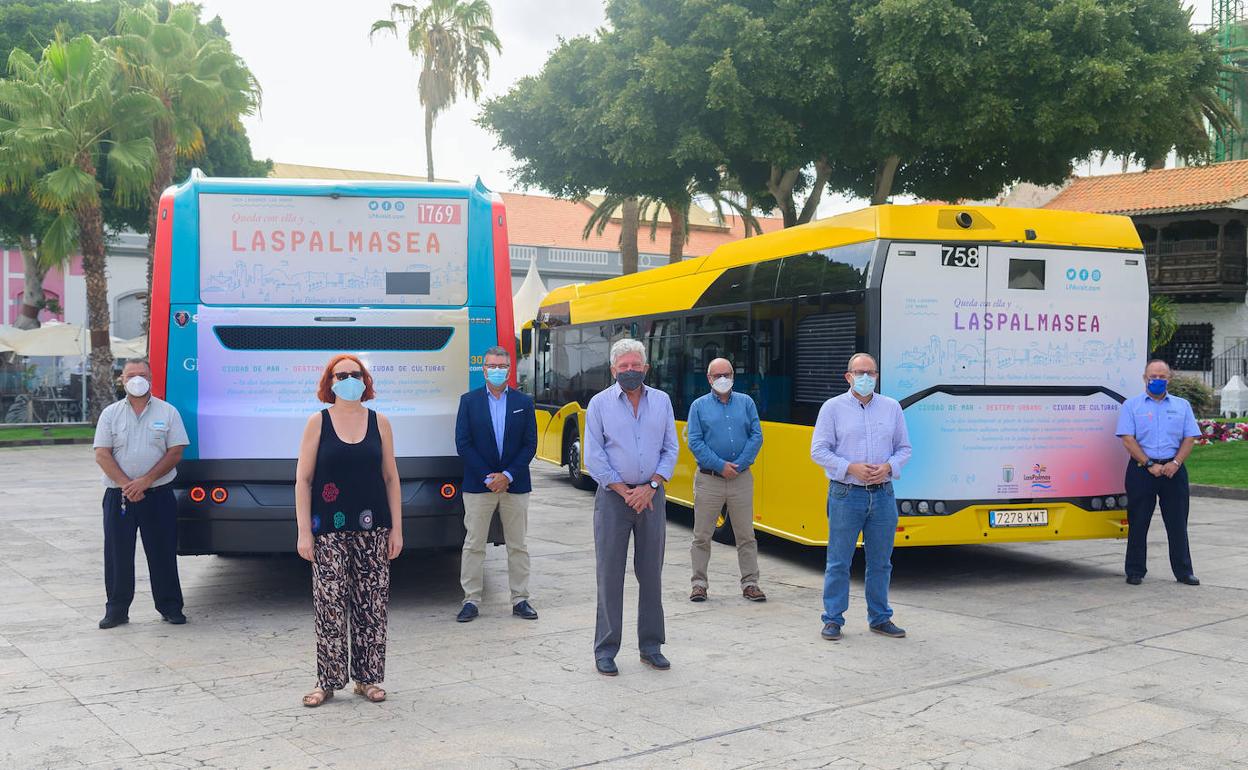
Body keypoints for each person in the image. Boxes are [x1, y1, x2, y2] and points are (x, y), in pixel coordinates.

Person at [295, 354, 403, 707]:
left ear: (365, 380)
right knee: (329, 605)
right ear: (330, 382)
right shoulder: (318, 422)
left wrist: (397, 529)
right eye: (341, 375)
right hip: (328, 529)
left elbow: (391, 477)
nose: (349, 380)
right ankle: (327, 681)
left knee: (371, 605)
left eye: (355, 374)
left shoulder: (380, 422)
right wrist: (303, 532)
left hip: (373, 529)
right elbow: (303, 480)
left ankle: (368, 679)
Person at [584, 338, 678, 676]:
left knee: (651, 574)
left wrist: (651, 486)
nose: (630, 371)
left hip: (652, 498)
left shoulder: (663, 401)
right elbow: (593, 455)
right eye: (623, 367)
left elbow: (671, 449)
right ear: (613, 370)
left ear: (646, 368)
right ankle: (606, 649)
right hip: (613, 498)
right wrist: (625, 491)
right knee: (610, 575)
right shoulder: (599, 404)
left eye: (635, 366)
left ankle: (651, 646)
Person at [810, 352, 911, 642]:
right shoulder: (832, 408)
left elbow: (904, 448)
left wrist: (889, 467)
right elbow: (818, 450)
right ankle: (832, 619)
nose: (866, 377)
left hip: (882, 495)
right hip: (845, 494)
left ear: (877, 376)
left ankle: (880, 618)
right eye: (860, 372)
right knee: (839, 561)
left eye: (871, 372)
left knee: (881, 562)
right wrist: (849, 467)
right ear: (848, 376)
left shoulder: (891, 408)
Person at [93, 358, 190, 629]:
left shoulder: (167, 412)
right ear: (122, 379)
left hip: (158, 494)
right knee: (117, 554)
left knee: (162, 552)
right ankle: (116, 610)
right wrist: (128, 484)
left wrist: (146, 481)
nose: (137, 379)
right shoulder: (110, 414)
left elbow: (176, 452)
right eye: (131, 374)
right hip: (119, 496)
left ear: (151, 378)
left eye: (142, 374)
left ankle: (170, 607)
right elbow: (102, 454)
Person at [454, 345, 539, 622]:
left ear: (509, 369)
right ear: (484, 369)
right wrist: (488, 477)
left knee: (518, 545)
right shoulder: (469, 401)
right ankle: (471, 600)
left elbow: (530, 445)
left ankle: (520, 599)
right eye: (492, 366)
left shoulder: (524, 403)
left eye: (502, 366)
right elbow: (463, 444)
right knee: (474, 544)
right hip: (480, 486)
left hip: (515, 485)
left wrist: (508, 476)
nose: (497, 370)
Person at [1116, 359, 1202, 586]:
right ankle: (1135, 571)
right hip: (1142, 471)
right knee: (1138, 522)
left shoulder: (1182, 405)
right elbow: (1127, 439)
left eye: (1162, 377)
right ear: (1145, 378)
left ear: (1169, 379)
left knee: (1177, 524)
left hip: (1173, 471)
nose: (1157, 380)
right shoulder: (1132, 406)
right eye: (1153, 376)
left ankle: (1184, 572)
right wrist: (1148, 464)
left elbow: (1190, 437)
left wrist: (1176, 462)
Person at [686, 357, 766, 602]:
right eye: (717, 375)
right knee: (702, 535)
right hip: (709, 479)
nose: (723, 379)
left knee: (746, 535)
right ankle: (699, 584)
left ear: (734, 375)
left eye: (727, 374)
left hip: (741, 478)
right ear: (709, 378)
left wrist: (738, 465)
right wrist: (720, 465)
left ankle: (750, 583)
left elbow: (756, 435)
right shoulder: (698, 406)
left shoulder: (746, 403)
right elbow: (695, 442)